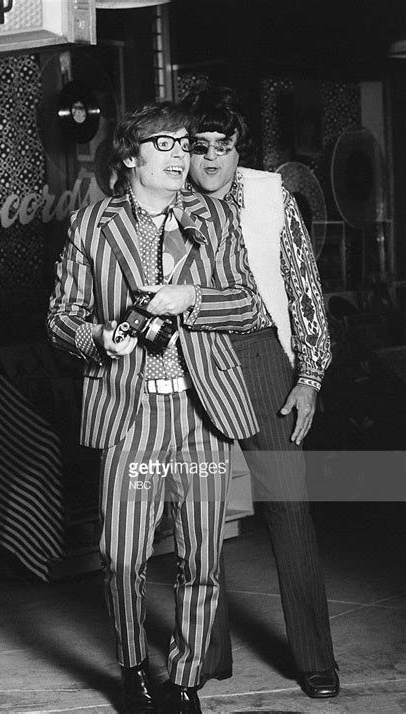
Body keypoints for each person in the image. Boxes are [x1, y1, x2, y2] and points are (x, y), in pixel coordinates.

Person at [47, 100, 263, 714]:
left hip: (200, 413)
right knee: (121, 557)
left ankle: (187, 679)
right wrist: (98, 338)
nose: (179, 155)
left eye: (183, 145)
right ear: (130, 155)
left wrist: (189, 297)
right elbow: (61, 317)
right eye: (163, 144)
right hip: (132, 414)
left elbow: (248, 304)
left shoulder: (211, 219)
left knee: (203, 556)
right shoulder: (93, 225)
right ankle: (132, 668)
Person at [179, 86, 339, 699]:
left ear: (238, 147)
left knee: (290, 508)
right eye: (200, 147)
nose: (212, 159)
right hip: (198, 361)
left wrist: (309, 376)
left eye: (224, 146)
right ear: (184, 151)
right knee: (200, 514)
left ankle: (315, 659)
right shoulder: (166, 202)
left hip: (266, 357)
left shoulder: (272, 195)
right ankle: (208, 649)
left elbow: (304, 289)